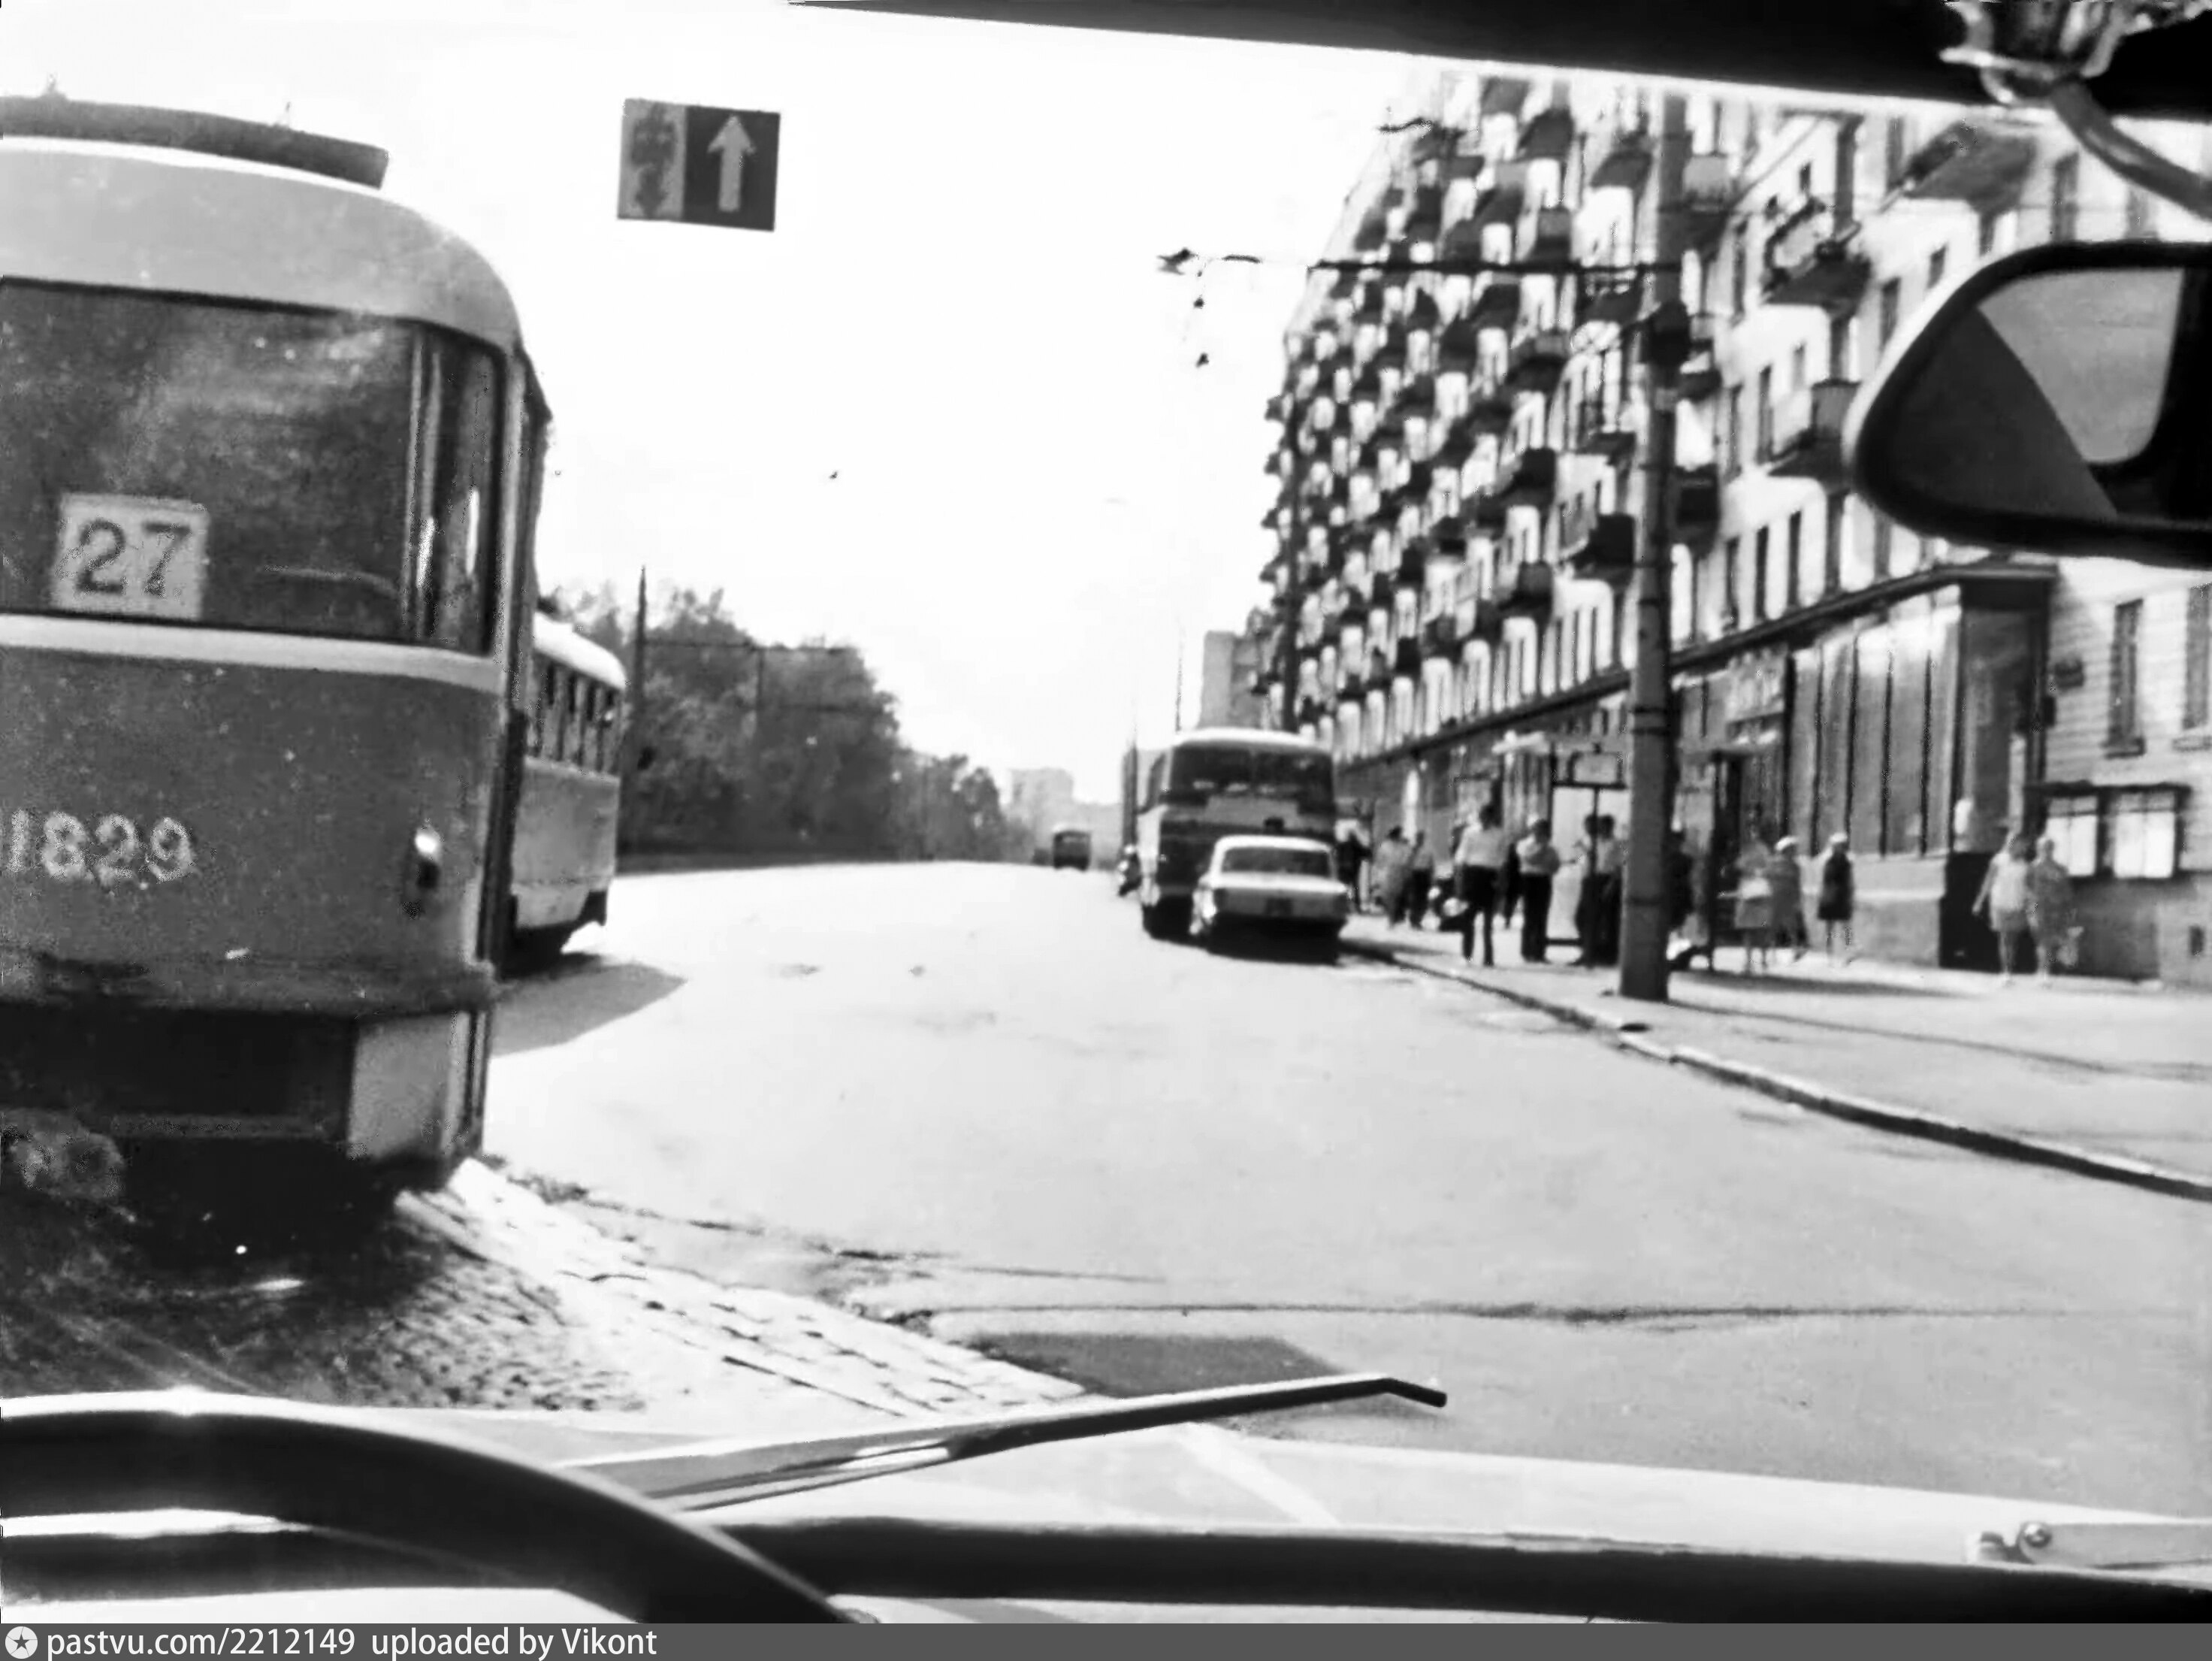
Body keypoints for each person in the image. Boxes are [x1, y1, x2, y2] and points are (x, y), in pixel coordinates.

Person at [1452, 803, 1512, 967]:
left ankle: (1488, 957)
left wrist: (1501, 882)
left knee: (1488, 920)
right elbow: (1461, 857)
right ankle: (1467, 954)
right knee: (1468, 917)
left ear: (1492, 817)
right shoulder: (1470, 833)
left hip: (1489, 875)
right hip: (1473, 874)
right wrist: (1460, 882)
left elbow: (1503, 860)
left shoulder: (1499, 835)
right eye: (1482, 815)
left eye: (1487, 815)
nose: (1484, 818)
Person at [1974, 832, 2035, 985]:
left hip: (2017, 904)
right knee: (2005, 937)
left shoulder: (2024, 865)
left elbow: (2028, 887)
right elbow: (1988, 882)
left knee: (2013, 939)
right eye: (2017, 843)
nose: (2022, 847)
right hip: (2000, 903)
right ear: (2010, 843)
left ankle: (2009, 970)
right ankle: (2006, 972)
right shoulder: (1998, 861)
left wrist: (2031, 905)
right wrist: (1979, 901)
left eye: (2023, 845)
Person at [2026, 836, 2078, 987]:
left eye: (2049, 848)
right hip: (2038, 908)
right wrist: (2030, 910)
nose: (2046, 851)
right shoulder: (2032, 868)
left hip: (2056, 908)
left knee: (2049, 941)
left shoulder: (2060, 869)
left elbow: (2067, 890)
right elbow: (2027, 890)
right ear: (2038, 849)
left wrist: (2069, 910)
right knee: (2043, 940)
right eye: (2043, 848)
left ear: (2053, 849)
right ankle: (2043, 972)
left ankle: (2044, 971)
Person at [1515, 819, 1561, 964]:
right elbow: (1531, 860)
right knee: (1529, 916)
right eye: (1538, 830)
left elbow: (1555, 866)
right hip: (1529, 879)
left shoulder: (1552, 848)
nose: (1541, 833)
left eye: (1544, 831)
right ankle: (1527, 951)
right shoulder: (1524, 844)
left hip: (1544, 880)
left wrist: (1547, 859)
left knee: (1542, 916)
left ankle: (1539, 952)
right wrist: (1543, 849)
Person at [1733, 830, 1775, 976]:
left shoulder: (1758, 849)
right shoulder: (1751, 849)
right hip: (1752, 893)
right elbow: (1739, 866)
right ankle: (1754, 962)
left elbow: (1741, 866)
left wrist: (1753, 871)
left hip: (1756, 892)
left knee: (1757, 930)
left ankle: (1759, 962)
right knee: (1751, 930)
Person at [1816, 832, 1855, 961]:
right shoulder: (1827, 861)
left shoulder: (1847, 861)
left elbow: (1849, 880)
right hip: (1830, 896)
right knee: (1830, 926)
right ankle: (1829, 951)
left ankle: (1848, 949)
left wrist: (1851, 895)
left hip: (1842, 896)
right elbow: (1824, 880)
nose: (1840, 848)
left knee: (1846, 925)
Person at [1769, 834, 1807, 961]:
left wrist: (1798, 899)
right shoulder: (1773, 863)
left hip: (1788, 899)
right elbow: (1768, 879)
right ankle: (1772, 953)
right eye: (1792, 849)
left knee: (1791, 926)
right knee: (1773, 925)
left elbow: (1797, 883)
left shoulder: (1795, 865)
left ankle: (1795, 949)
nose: (1794, 851)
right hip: (1775, 897)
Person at [1374, 827, 1412, 926]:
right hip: (1388, 873)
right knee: (1389, 896)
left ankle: (1393, 917)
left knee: (1395, 896)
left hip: (1397, 873)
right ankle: (1391, 917)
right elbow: (1380, 860)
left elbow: (1406, 859)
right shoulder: (1385, 846)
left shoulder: (1402, 846)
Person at [1404, 830, 1437, 930]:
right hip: (1415, 874)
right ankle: (1413, 919)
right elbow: (1407, 863)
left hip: (1425, 874)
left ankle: (1419, 919)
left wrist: (1432, 877)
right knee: (1414, 897)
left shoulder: (1428, 849)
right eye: (1418, 837)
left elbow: (1432, 864)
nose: (1419, 839)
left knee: (1424, 898)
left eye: (1421, 837)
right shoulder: (1411, 849)